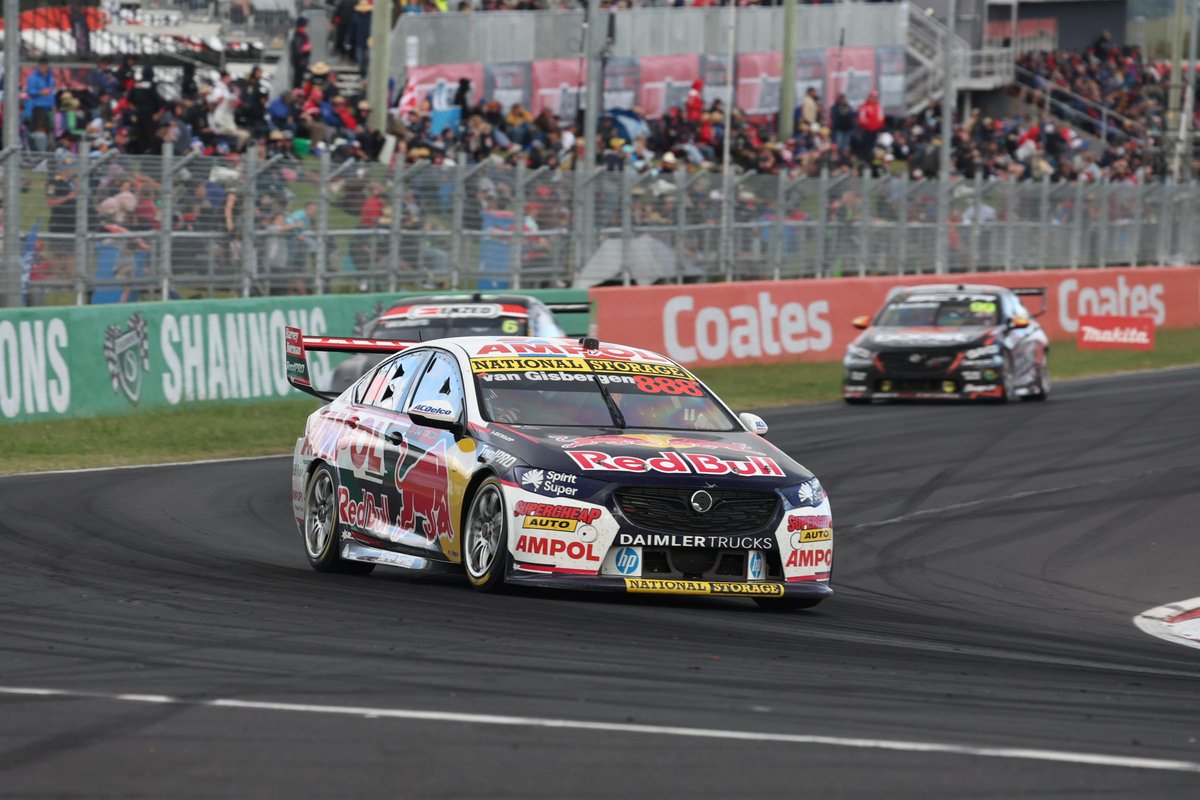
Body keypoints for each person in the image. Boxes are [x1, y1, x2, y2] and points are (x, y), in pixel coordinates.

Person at [26, 59, 57, 138]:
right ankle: (36, 147)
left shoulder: (50, 77)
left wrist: (53, 104)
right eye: (42, 66)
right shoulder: (32, 77)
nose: (44, 68)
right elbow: (30, 91)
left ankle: (46, 147)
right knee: (38, 129)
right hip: (38, 107)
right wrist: (40, 92)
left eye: (45, 66)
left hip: (49, 108)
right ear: (38, 66)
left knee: (49, 129)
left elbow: (52, 92)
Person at [290, 16, 312, 90]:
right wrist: (301, 60)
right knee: (297, 81)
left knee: (301, 80)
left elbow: (308, 48)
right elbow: (297, 51)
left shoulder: (304, 36)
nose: (305, 27)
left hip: (303, 62)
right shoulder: (298, 37)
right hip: (299, 63)